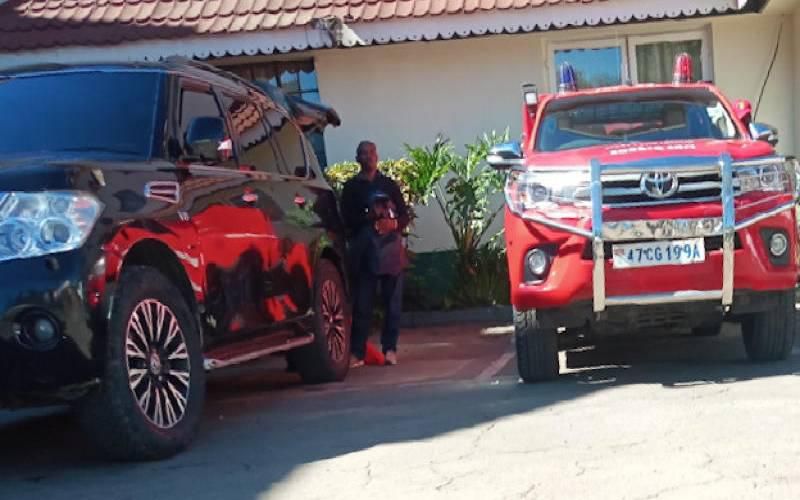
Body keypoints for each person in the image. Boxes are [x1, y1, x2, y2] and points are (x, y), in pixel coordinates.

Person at [341, 141, 410, 367]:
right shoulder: (351, 188)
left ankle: (390, 349)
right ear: (357, 158)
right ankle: (358, 353)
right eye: (363, 153)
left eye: (371, 153)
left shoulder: (388, 184)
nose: (368, 157)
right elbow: (346, 221)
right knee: (362, 306)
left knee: (392, 305)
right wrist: (369, 218)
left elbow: (405, 216)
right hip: (365, 254)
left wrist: (393, 224)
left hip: (391, 253)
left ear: (377, 156)